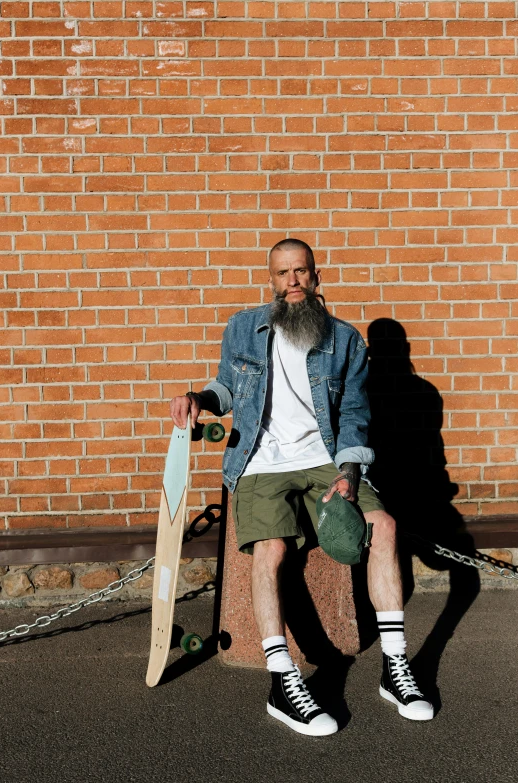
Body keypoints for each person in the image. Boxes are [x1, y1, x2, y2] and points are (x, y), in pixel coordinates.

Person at [170, 238, 434, 735]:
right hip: (259, 462)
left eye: (300, 271)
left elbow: (354, 413)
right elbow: (228, 387)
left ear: (315, 276)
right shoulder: (243, 328)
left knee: (385, 526)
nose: (291, 281)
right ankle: (281, 681)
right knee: (269, 550)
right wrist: (199, 397)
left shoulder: (345, 339)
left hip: (326, 461)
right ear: (271, 280)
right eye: (281, 273)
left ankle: (396, 669)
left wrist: (350, 474)